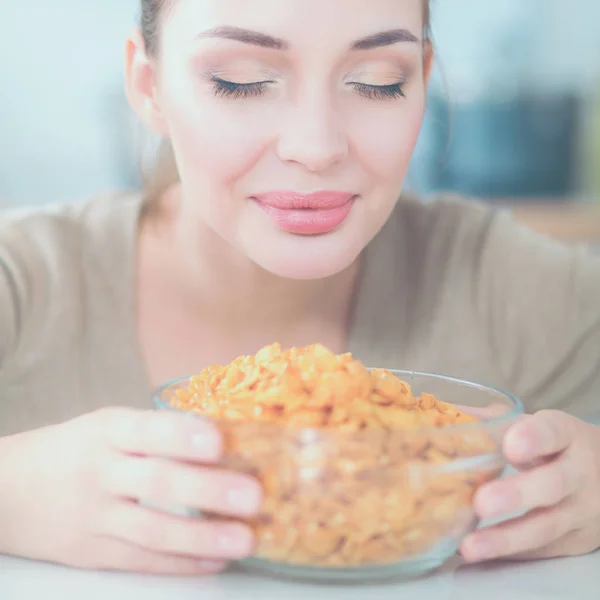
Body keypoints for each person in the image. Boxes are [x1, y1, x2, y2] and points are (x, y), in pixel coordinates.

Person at [0, 0, 599, 577]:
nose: (315, 148)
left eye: (378, 82)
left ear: (422, 79)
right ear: (148, 85)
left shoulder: (504, 285)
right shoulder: (24, 281)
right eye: (241, 82)